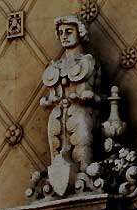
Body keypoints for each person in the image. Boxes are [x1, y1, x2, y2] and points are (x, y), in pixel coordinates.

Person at [40, 15, 100, 184]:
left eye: (69, 31)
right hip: (57, 115)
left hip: (80, 114)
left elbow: (95, 95)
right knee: (56, 157)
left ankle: (84, 182)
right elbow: (52, 96)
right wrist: (48, 101)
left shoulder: (88, 62)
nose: (64, 36)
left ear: (79, 32)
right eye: (61, 33)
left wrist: (86, 97)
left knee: (83, 154)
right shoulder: (55, 66)